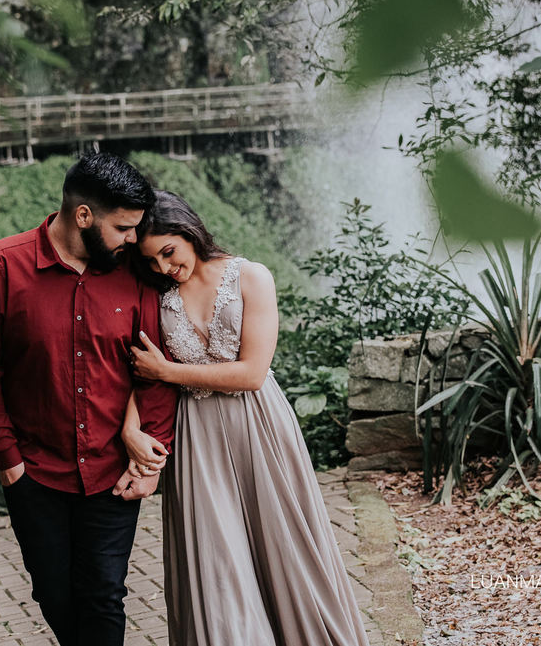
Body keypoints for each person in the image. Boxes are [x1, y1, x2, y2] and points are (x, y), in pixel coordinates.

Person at [122, 189, 371, 646]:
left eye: (168, 252)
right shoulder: (155, 294)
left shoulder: (251, 277)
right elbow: (141, 371)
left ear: (189, 230)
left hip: (259, 426)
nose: (163, 267)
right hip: (196, 435)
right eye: (151, 260)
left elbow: (252, 374)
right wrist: (129, 426)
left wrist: (167, 370)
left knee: (285, 548)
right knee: (216, 564)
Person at [0, 152, 179, 646]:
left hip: (112, 472)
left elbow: (155, 373)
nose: (131, 240)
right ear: (84, 216)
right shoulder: (1, 267)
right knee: (54, 593)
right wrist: (9, 461)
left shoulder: (134, 275)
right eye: (123, 228)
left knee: (103, 594)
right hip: (35, 473)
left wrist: (149, 458)